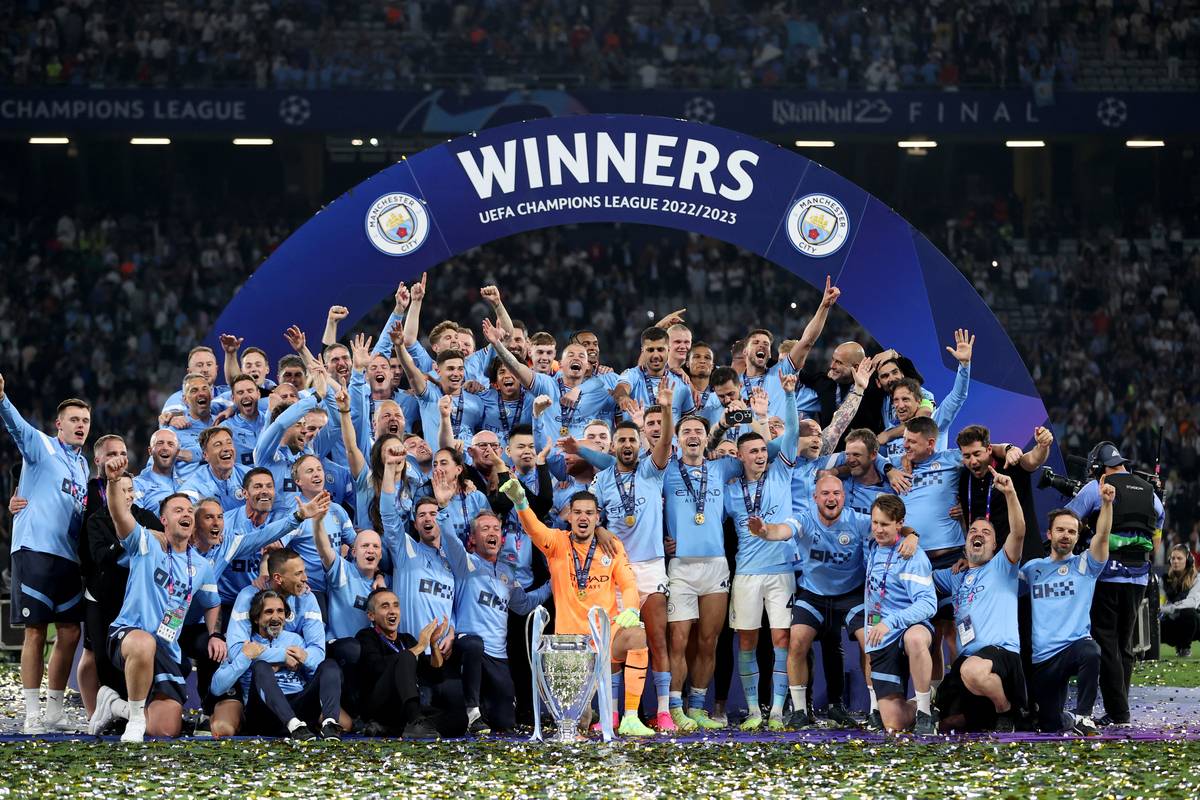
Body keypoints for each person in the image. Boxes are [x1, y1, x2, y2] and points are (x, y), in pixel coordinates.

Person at [503, 481, 656, 737]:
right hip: (571, 646)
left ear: (597, 517)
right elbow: (534, 529)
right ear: (569, 516)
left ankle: (630, 717)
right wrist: (521, 503)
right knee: (576, 725)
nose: (583, 518)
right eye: (578, 512)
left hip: (606, 637)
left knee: (637, 634)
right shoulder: (557, 543)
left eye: (589, 513)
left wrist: (631, 610)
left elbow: (629, 583)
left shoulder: (611, 545)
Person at [779, 475, 917, 728]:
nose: (831, 498)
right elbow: (782, 530)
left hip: (852, 595)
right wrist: (765, 531)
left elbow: (896, 527)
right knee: (797, 640)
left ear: (843, 496)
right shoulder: (805, 518)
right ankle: (799, 710)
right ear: (815, 497)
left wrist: (913, 536)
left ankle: (876, 710)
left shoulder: (858, 520)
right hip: (814, 595)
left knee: (871, 642)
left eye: (836, 493)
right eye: (825, 494)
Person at [100, 474, 222, 743]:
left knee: (165, 731)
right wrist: (111, 482)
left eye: (190, 510)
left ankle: (114, 705)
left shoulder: (201, 567)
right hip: (129, 636)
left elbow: (213, 604)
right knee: (145, 643)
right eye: (178, 510)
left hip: (167, 650)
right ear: (164, 520)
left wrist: (215, 634)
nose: (186, 514)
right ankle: (134, 718)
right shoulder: (146, 543)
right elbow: (120, 514)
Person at [0, 374, 90, 734]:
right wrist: (3, 398)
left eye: (85, 421)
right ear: (59, 424)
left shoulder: (84, 467)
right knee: (36, 630)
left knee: (69, 631)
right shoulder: (41, 445)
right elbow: (16, 426)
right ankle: (33, 713)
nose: (80, 426)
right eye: (74, 420)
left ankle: (55, 709)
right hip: (35, 550)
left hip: (68, 558)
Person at [589, 378, 675, 729]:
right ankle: (613, 713)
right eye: (621, 440)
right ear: (612, 446)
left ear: (640, 443)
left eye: (632, 440)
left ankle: (664, 711)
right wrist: (598, 527)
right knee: (617, 644)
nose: (627, 444)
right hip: (618, 571)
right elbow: (583, 513)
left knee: (656, 638)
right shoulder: (603, 479)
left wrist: (666, 407)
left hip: (653, 567)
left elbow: (667, 441)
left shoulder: (652, 471)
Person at [1066, 442, 1165, 726]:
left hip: (1106, 575)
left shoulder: (1096, 488)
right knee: (1124, 644)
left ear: (1100, 466)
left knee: (1105, 641)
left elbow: (1069, 518)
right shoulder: (1151, 493)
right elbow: (1156, 534)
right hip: (1138, 577)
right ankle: (1119, 709)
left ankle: (1119, 712)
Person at [725, 375, 799, 730]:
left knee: (781, 639)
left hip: (781, 570)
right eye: (752, 451)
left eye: (762, 450)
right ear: (739, 456)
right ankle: (754, 710)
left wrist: (789, 395)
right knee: (747, 640)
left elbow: (794, 433)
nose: (759, 455)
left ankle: (777, 710)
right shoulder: (729, 490)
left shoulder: (781, 473)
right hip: (746, 573)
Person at [933, 469, 1027, 732]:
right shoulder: (955, 575)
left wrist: (1009, 493)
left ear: (996, 545)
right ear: (965, 542)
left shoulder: (1002, 565)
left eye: (986, 533)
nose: (979, 534)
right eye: (973, 530)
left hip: (1001, 654)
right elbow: (919, 578)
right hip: (967, 659)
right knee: (941, 720)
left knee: (971, 671)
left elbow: (1018, 532)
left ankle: (1007, 709)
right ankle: (985, 715)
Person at [662, 412, 740, 730]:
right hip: (680, 566)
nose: (693, 435)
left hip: (716, 565)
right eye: (686, 431)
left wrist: (758, 418)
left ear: (707, 439)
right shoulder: (665, 471)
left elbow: (769, 452)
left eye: (698, 431)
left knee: (709, 641)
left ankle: (697, 706)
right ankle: (674, 707)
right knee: (678, 640)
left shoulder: (721, 468)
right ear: (678, 440)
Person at [1021, 483, 1114, 735]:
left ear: (1077, 536)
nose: (1065, 535)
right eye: (1060, 530)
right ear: (1049, 534)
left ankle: (1084, 716)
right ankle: (1067, 719)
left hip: (1074, 647)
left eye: (1071, 532)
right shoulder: (1032, 568)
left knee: (1091, 651)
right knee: (1049, 725)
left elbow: (1103, 536)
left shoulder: (1086, 565)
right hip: (1043, 660)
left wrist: (1106, 504)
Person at [450, 511, 548, 734]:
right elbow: (448, 538)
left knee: (505, 723)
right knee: (474, 644)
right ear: (473, 538)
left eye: (496, 529)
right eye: (485, 529)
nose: (492, 533)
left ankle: (483, 711)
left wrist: (555, 583)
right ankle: (471, 710)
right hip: (469, 646)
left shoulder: (506, 573)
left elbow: (523, 604)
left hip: (498, 656)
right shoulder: (465, 563)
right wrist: (446, 506)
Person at [209, 588, 345, 740]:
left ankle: (330, 724)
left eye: (280, 611)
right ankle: (293, 726)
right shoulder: (245, 645)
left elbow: (317, 677)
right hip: (263, 713)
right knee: (261, 666)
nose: (276, 617)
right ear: (256, 618)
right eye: (269, 612)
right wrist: (246, 657)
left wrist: (305, 660)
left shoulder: (296, 640)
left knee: (329, 665)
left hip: (299, 709)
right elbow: (216, 688)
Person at [862, 495, 937, 734]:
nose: (878, 529)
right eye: (875, 523)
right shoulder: (873, 545)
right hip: (883, 633)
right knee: (894, 723)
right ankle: (927, 701)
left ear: (899, 524)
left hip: (910, 626)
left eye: (885, 524)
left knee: (914, 638)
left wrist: (891, 621)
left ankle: (925, 712)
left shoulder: (911, 554)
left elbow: (928, 604)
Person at [355, 590, 455, 739]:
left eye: (396, 605)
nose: (392, 611)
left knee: (458, 720)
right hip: (379, 706)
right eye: (385, 606)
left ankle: (395, 728)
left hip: (405, 710)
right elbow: (376, 668)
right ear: (371, 615)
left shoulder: (407, 639)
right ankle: (412, 722)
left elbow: (434, 677)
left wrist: (433, 645)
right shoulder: (366, 636)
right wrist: (420, 647)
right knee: (405, 657)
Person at [179, 427, 248, 511]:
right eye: (218, 445)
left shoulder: (249, 475)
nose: (226, 448)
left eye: (229, 443)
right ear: (205, 455)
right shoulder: (195, 487)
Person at [1161, 544, 1200, 657]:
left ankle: (1184, 648)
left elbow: (1192, 602)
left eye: (1179, 558)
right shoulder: (1164, 580)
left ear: (1187, 560)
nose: (1175, 561)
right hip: (1173, 622)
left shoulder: (1197, 579)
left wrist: (1171, 607)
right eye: (1173, 558)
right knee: (1154, 624)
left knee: (1189, 613)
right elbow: (1159, 604)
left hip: (1194, 624)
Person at [133, 428, 182, 514]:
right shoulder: (137, 484)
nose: (165, 448)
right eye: (160, 443)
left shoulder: (185, 483)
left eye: (170, 444)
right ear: (150, 451)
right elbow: (134, 520)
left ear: (177, 452)